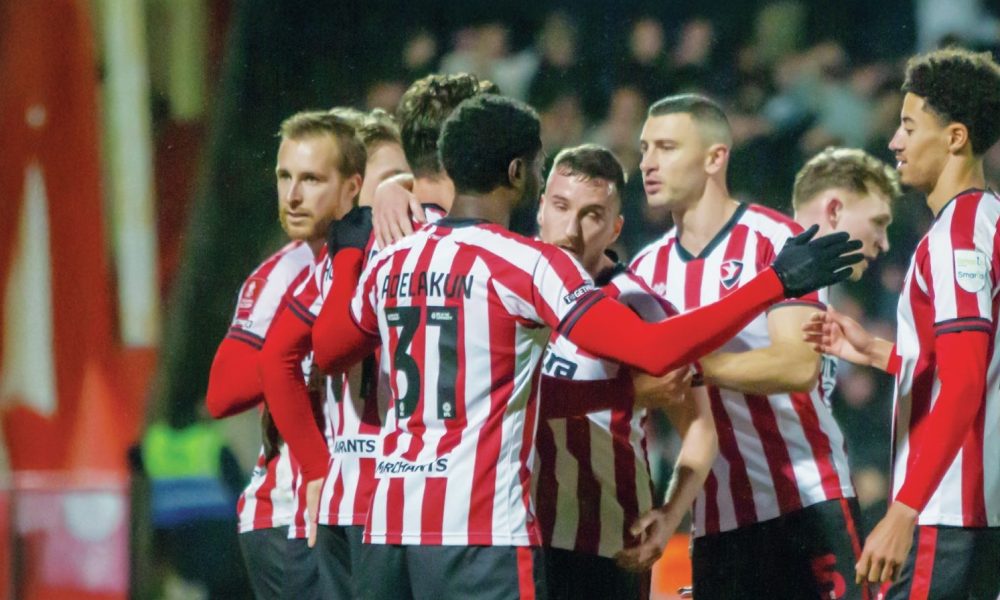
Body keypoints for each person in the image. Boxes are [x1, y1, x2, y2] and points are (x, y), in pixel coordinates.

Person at [300, 94, 860, 598]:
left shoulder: (393, 259)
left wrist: (353, 243)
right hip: (477, 530)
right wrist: (773, 283)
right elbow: (654, 348)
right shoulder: (526, 264)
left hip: (387, 526)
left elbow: (327, 352)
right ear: (521, 175)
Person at [629, 96, 887, 600]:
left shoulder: (779, 242)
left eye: (665, 147)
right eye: (643, 149)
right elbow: (671, 405)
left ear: (714, 158)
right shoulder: (644, 272)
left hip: (806, 504)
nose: (647, 163)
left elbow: (796, 365)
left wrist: (686, 364)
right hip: (716, 524)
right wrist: (670, 512)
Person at [257, 76, 496, 595]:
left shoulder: (353, 248)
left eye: (402, 176)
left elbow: (284, 355)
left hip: (377, 498)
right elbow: (278, 359)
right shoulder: (371, 249)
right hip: (402, 499)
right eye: (389, 177)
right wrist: (316, 465)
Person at [804, 48, 1000, 599]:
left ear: (955, 137)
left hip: (948, 511)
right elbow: (982, 367)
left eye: (910, 126)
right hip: (979, 508)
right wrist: (881, 355)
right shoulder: (990, 221)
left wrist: (903, 511)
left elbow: (964, 384)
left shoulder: (956, 237)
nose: (895, 141)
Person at [531, 144, 715, 600]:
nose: (571, 230)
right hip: (513, 533)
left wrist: (671, 515)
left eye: (592, 215)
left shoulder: (641, 307)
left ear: (615, 227)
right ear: (540, 208)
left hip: (604, 543)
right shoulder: (508, 282)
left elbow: (701, 427)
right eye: (560, 207)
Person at [204, 109, 364, 599]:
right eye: (284, 177)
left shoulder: (375, 260)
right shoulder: (280, 275)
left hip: (357, 505)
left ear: (353, 188)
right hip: (289, 512)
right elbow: (223, 392)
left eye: (311, 179)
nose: (292, 195)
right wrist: (300, 354)